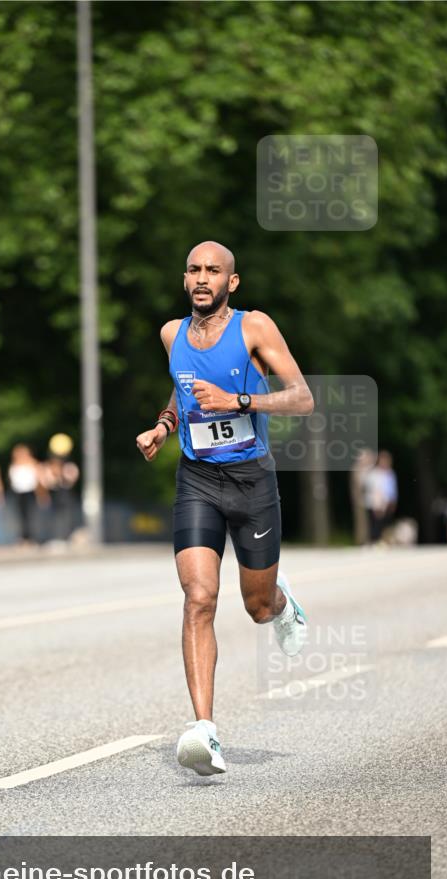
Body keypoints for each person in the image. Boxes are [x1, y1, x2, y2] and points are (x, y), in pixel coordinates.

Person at [136, 241, 314, 777]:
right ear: (184, 278)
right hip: (197, 479)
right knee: (198, 597)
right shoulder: (172, 334)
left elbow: (302, 397)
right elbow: (182, 388)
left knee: (254, 606)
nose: (203, 278)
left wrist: (239, 401)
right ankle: (204, 731)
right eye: (194, 269)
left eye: (214, 270)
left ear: (231, 282)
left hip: (252, 480)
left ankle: (283, 606)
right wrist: (164, 427)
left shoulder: (255, 327)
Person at [40, 434, 80, 543]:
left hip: (66, 495)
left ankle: (66, 536)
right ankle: (54, 537)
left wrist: (60, 473)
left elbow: (72, 480)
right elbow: (45, 482)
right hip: (54, 495)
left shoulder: (70, 466)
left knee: (67, 516)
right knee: (52, 516)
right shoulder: (47, 467)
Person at [7, 444, 46, 545]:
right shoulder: (14, 464)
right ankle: (23, 536)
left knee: (31, 515)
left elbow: (39, 480)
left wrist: (41, 494)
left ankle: (31, 537)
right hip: (18, 492)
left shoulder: (33, 463)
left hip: (30, 492)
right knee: (20, 515)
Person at [364, 450, 398, 543]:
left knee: (385, 523)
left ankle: (384, 541)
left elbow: (392, 489)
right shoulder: (374, 474)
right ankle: (374, 540)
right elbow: (372, 490)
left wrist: (393, 501)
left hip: (387, 503)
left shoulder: (390, 473)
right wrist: (377, 504)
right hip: (376, 503)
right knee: (376, 523)